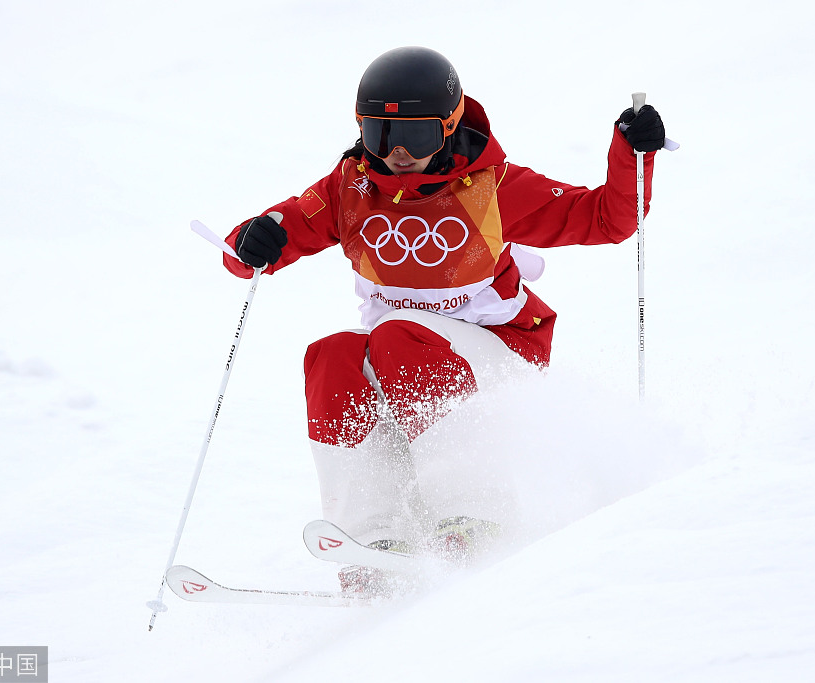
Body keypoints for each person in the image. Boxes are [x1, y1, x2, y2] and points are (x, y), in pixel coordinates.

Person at [222, 46, 666, 594]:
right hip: (407, 352)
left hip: (502, 355)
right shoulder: (351, 188)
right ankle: (376, 542)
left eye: (419, 136)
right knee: (332, 356)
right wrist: (253, 241)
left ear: (450, 127)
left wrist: (633, 154)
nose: (399, 153)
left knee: (396, 336)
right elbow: (265, 240)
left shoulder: (494, 187)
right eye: (381, 136)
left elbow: (607, 218)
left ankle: (473, 517)